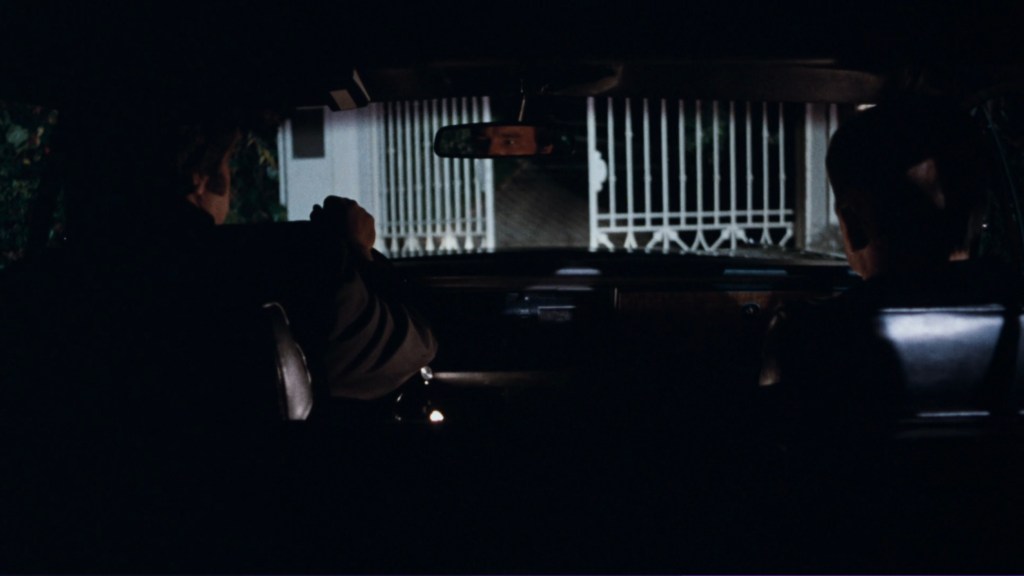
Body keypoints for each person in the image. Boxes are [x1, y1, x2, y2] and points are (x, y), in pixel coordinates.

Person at [0, 106, 437, 422]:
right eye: (228, 159)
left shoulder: (30, 296)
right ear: (203, 175)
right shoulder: (278, 270)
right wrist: (359, 251)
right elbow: (413, 348)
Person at [758, 97, 1012, 426]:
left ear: (851, 225)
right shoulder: (1012, 315)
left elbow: (771, 454)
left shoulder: (808, 335)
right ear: (979, 215)